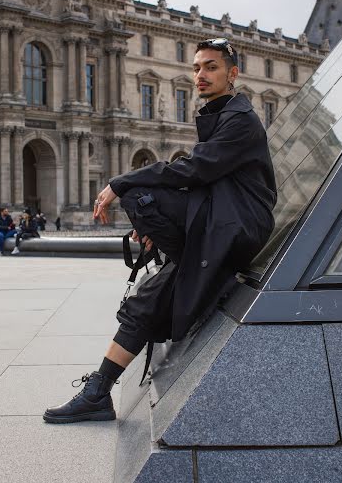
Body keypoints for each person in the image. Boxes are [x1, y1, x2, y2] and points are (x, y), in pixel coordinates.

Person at [43, 38, 277, 424]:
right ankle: (98, 393)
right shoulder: (224, 113)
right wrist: (163, 226)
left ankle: (97, 392)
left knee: (140, 193)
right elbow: (201, 178)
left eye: (211, 67)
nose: (200, 74)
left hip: (235, 227)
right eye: (197, 67)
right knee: (144, 302)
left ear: (233, 74)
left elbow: (195, 171)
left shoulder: (240, 120)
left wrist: (120, 182)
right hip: (219, 220)